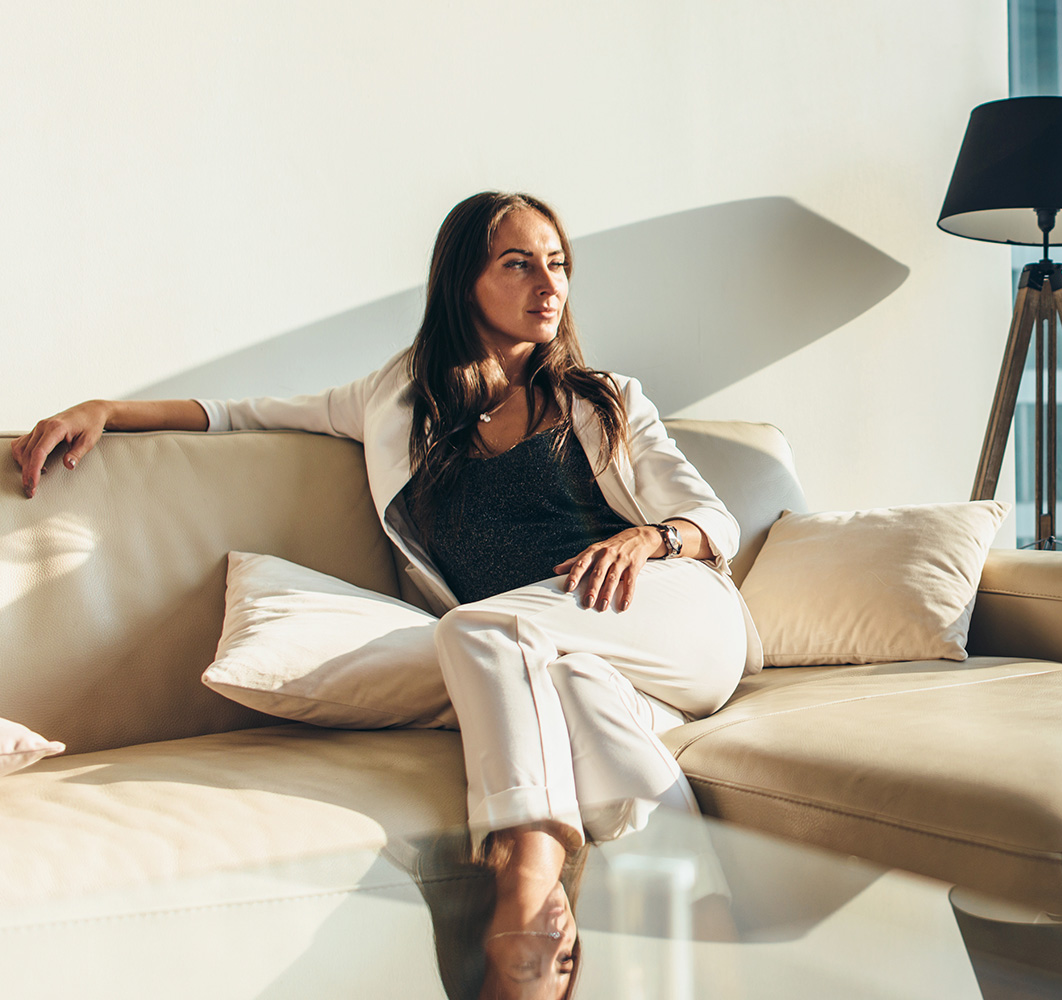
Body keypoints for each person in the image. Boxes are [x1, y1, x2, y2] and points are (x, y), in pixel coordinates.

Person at [10, 191, 757, 1000]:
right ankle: (706, 932)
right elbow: (238, 412)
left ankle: (525, 881)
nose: (550, 284)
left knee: (476, 632)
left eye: (558, 264)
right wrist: (106, 409)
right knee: (572, 698)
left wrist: (651, 538)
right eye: (519, 264)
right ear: (462, 281)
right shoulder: (398, 404)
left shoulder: (605, 398)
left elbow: (712, 517)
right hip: (567, 663)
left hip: (670, 615)